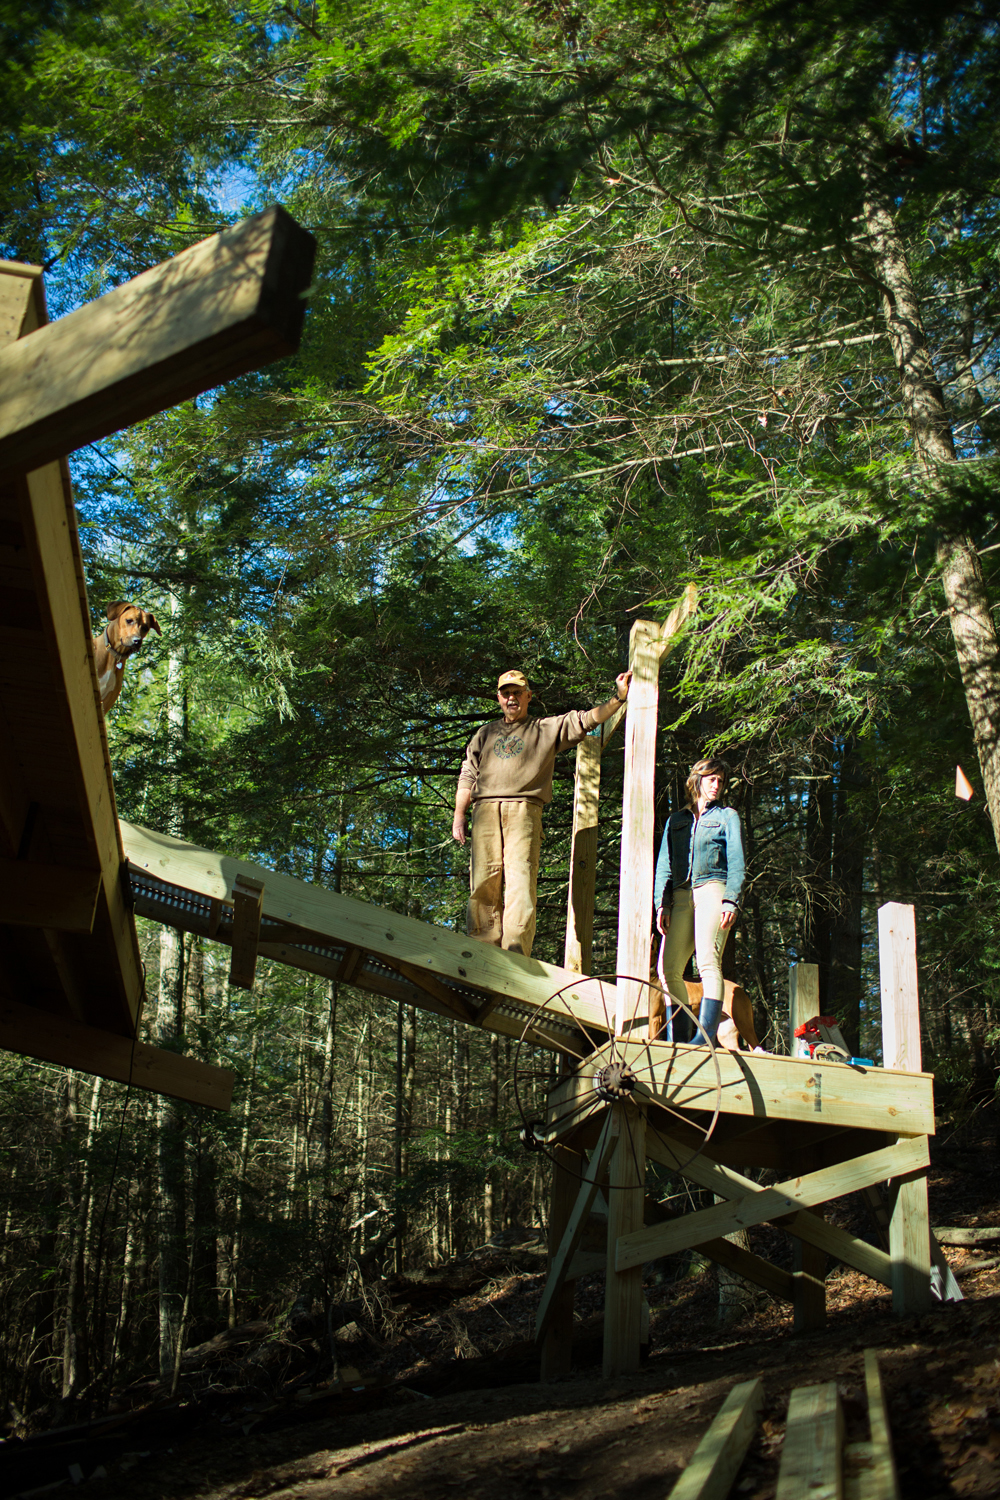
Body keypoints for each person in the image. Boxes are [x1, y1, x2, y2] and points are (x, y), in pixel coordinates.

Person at [453, 669, 632, 958]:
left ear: (528, 696)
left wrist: (618, 698)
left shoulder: (544, 728)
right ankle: (481, 952)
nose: (512, 698)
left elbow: (586, 719)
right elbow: (467, 774)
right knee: (484, 882)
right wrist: (459, 816)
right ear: (498, 697)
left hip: (524, 810)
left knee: (520, 883)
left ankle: (514, 955)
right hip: (484, 811)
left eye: (517, 693)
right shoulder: (485, 733)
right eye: (506, 693)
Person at [652, 757, 745, 1046]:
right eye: (711, 779)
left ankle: (705, 1039)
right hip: (680, 896)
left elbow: (737, 862)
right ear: (698, 780)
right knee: (667, 970)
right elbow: (664, 865)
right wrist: (661, 903)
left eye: (720, 780)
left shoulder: (727, 817)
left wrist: (731, 901)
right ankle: (678, 1037)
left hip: (713, 889)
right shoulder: (676, 820)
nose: (716, 785)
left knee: (707, 961)